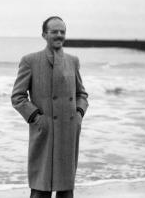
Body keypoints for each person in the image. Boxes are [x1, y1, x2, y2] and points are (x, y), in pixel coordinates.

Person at [11, 16, 89, 198]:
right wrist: (37, 118)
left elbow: (81, 94)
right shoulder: (30, 61)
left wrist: (78, 114)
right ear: (44, 35)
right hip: (44, 131)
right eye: (54, 31)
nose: (59, 35)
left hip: (68, 130)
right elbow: (18, 97)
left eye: (62, 32)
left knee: (66, 191)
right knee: (40, 190)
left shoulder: (73, 61)